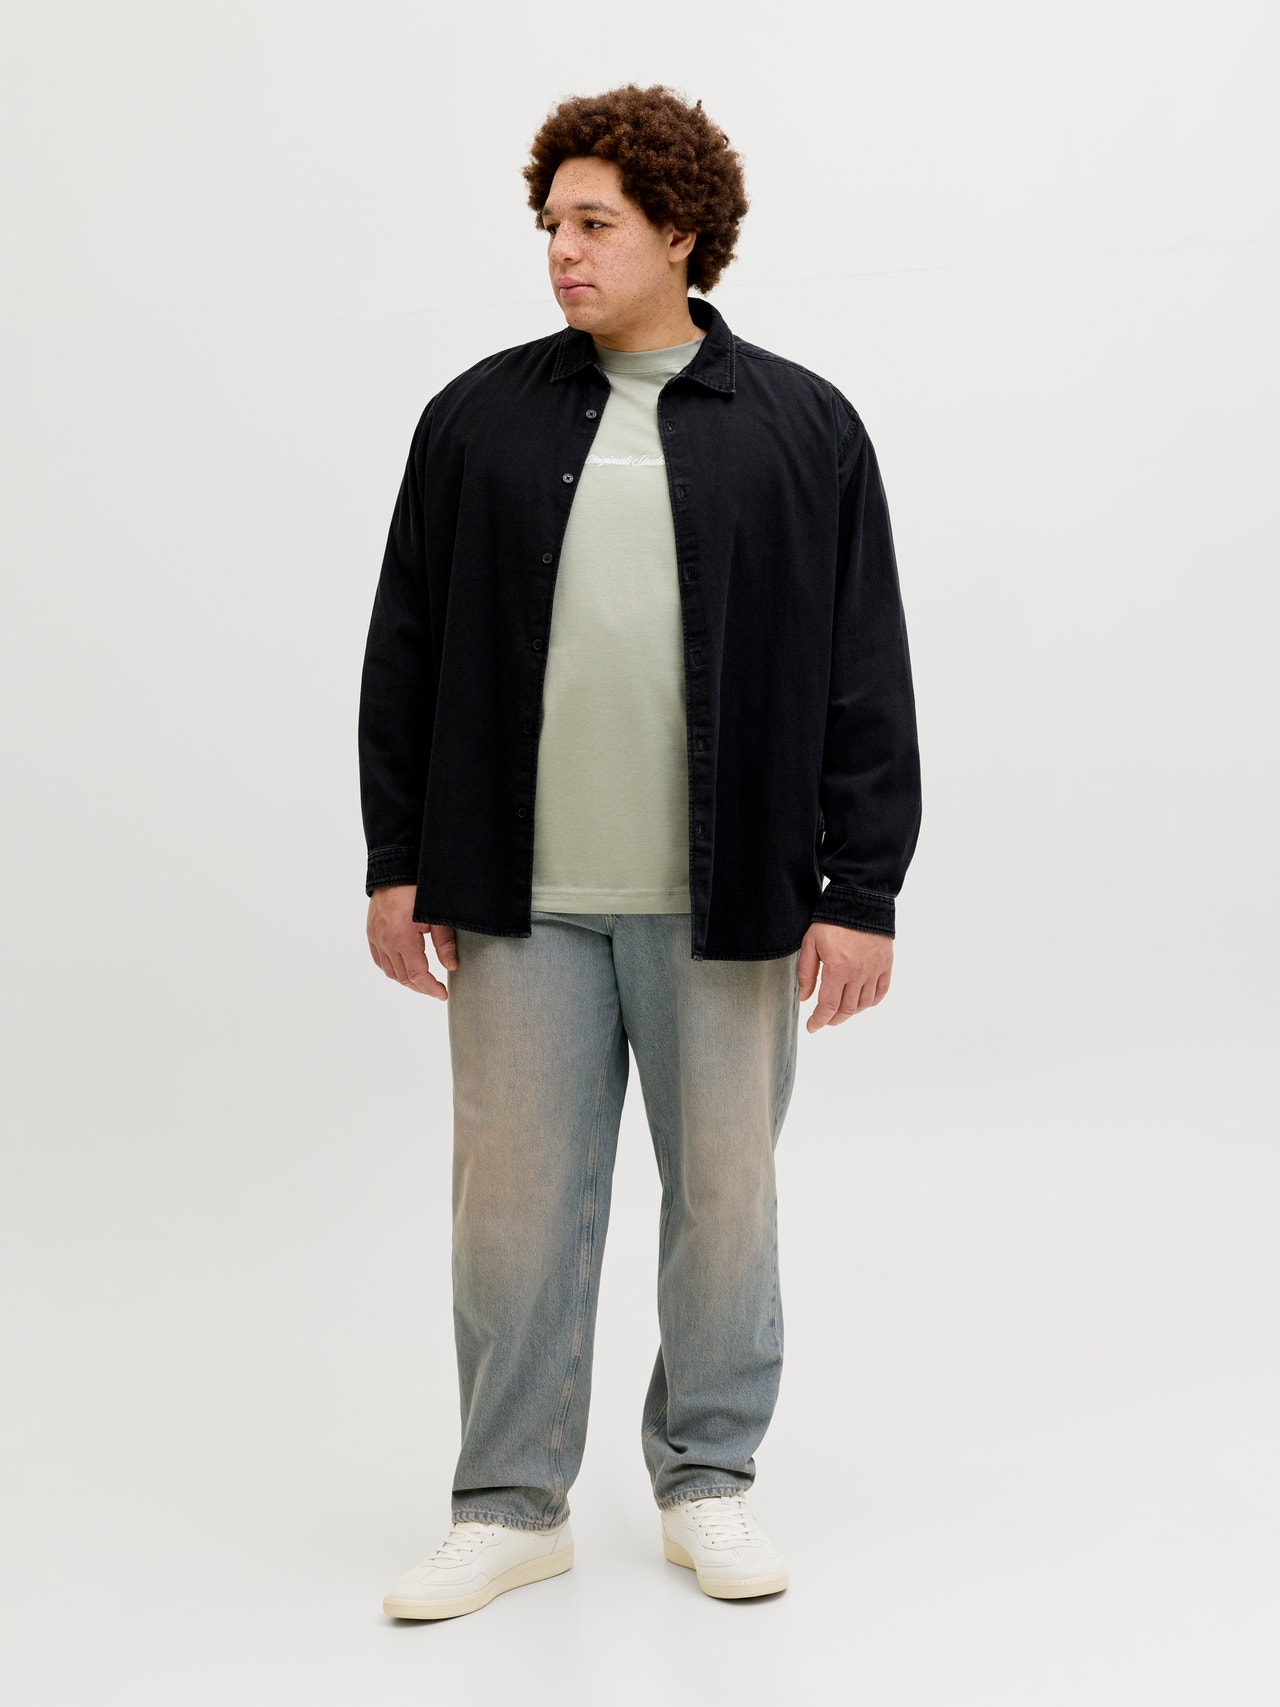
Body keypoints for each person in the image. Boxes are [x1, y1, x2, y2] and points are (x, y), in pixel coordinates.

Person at [360, 82, 922, 1620]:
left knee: (725, 1202)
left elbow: (863, 669)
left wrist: (862, 889)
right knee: (511, 1216)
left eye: (594, 223)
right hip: (520, 901)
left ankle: (708, 1481)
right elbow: (406, 649)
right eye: (551, 224)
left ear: (681, 231)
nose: (562, 251)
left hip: (728, 901)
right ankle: (509, 1504)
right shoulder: (475, 420)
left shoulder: (805, 429)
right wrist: (397, 859)